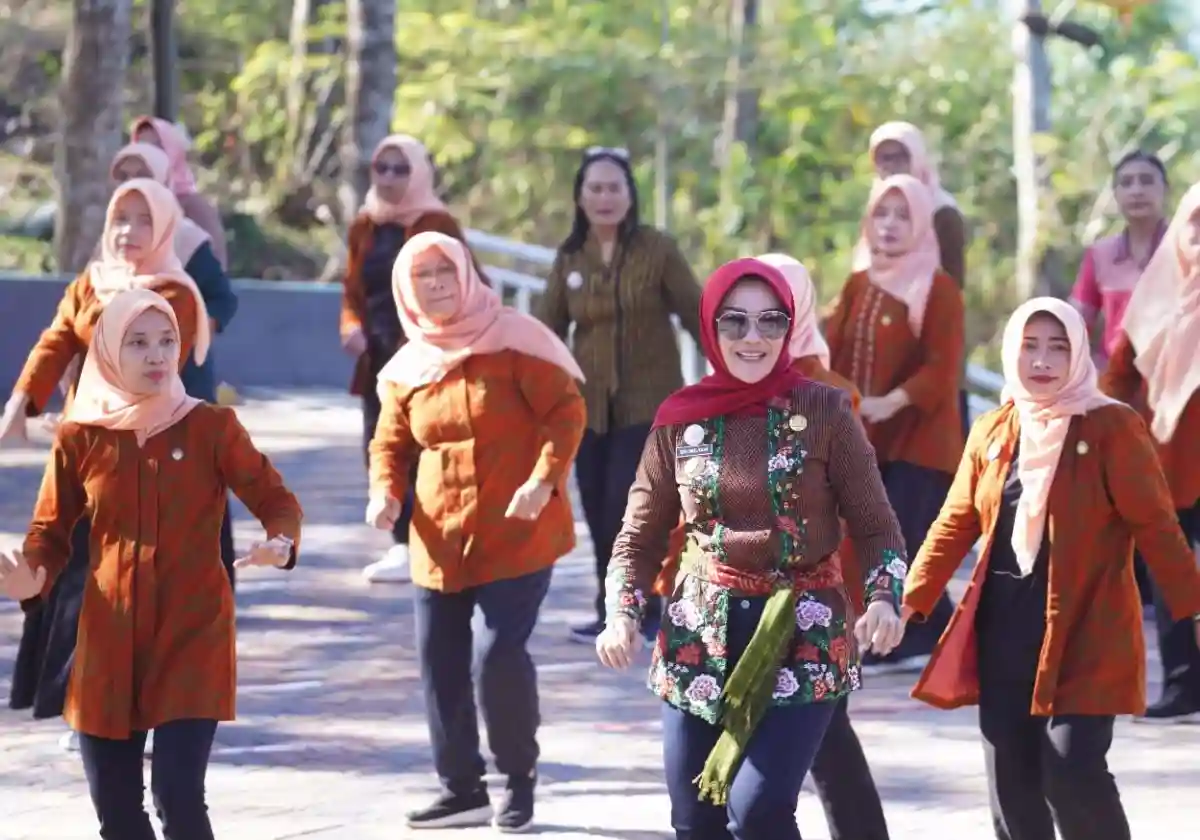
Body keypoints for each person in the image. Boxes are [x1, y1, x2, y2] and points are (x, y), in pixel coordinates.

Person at [596, 257, 907, 840]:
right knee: (695, 819)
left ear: (790, 328)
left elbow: (876, 524)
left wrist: (885, 598)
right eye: (735, 322)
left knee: (759, 812)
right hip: (699, 631)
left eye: (770, 321)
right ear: (711, 328)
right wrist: (622, 614)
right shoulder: (678, 420)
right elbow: (637, 537)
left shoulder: (826, 410)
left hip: (804, 629)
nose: (753, 337)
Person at [0, 288, 303, 840]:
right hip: (107, 641)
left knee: (178, 799)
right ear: (109, 350)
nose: (157, 355)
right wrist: (30, 578)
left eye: (167, 340)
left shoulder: (213, 428)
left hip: (193, 633)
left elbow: (276, 501)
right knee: (116, 811)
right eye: (137, 343)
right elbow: (48, 534)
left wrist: (279, 542)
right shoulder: (78, 437)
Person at [903, 297, 1200, 840]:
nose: (1041, 361)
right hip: (1005, 630)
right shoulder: (993, 429)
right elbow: (954, 523)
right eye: (1030, 346)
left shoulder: (1112, 426)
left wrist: (1193, 607)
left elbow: (1157, 528)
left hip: (1088, 627)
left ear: (1078, 355)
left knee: (1072, 773)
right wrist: (907, 600)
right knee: (1012, 788)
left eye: (1057, 347)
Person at [367, 232, 586, 831]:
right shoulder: (410, 364)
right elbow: (390, 442)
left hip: (517, 531)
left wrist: (544, 480)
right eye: (423, 276)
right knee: (439, 659)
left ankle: (517, 779)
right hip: (438, 537)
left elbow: (566, 413)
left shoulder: (516, 341)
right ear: (407, 290)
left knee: (497, 657)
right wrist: (383, 493)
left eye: (445, 271)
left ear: (466, 273)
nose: (435, 284)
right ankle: (459, 787)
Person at [2, 180, 210, 749]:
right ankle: (82, 701)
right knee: (74, 578)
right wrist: (22, 403)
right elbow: (55, 342)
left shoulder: (175, 294)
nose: (129, 231)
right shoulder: (90, 283)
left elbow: (151, 369)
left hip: (140, 457)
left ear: (165, 227)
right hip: (80, 454)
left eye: (144, 220)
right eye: (121, 218)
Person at [537, 146, 703, 645]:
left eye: (615, 187)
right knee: (597, 506)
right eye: (595, 188)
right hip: (587, 409)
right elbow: (547, 331)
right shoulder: (570, 256)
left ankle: (648, 606)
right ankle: (610, 608)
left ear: (630, 196)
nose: (605, 197)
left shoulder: (658, 250)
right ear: (580, 197)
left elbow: (697, 314)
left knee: (636, 507)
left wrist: (733, 375)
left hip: (649, 405)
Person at [757, 254, 889, 840]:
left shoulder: (830, 395)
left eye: (775, 310)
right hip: (732, 593)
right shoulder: (721, 389)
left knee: (820, 738)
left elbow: (859, 509)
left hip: (811, 597)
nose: (759, 326)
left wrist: (866, 600)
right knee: (821, 740)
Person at [826, 174, 965, 676]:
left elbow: (943, 367)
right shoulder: (858, 283)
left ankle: (909, 641)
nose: (889, 225)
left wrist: (893, 401)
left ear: (923, 223)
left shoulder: (938, 287)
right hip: (870, 437)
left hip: (923, 440)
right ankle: (941, 639)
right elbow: (832, 349)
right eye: (881, 213)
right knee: (878, 540)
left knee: (899, 538)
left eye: (902, 215)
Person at [340, 134, 478, 585]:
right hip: (376, 354)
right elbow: (352, 290)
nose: (390, 179)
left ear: (420, 172)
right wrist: (350, 328)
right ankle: (401, 542)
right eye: (382, 168)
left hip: (426, 352)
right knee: (379, 444)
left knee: (422, 445)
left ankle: (429, 540)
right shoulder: (364, 224)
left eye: (401, 169)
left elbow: (467, 280)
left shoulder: (435, 221)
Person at [1101, 182, 1200, 724]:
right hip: (1169, 465)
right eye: (1197, 222)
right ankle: (1185, 683)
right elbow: (1119, 373)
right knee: (1169, 575)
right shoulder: (1158, 297)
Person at [1070, 149, 1168, 368]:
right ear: (1115, 194)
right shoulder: (1100, 255)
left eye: (1147, 181)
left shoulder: (1189, 250)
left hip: (1180, 387)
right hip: (1118, 386)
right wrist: (1092, 372)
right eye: (1126, 183)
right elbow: (1073, 325)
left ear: (1165, 190)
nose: (1137, 191)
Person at [130, 116, 228, 268]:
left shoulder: (194, 206)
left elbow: (214, 268)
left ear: (173, 152)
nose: (149, 154)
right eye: (142, 147)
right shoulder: (130, 203)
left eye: (157, 147)